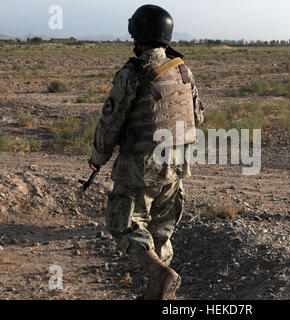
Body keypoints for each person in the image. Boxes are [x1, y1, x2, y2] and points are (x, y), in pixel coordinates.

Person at [88, 4, 204, 299]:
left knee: (122, 222)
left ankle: (160, 275)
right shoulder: (182, 69)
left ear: (137, 34)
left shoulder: (133, 72)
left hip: (142, 164)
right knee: (160, 232)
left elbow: (110, 120)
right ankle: (162, 293)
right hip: (177, 164)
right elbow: (198, 117)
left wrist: (98, 157)